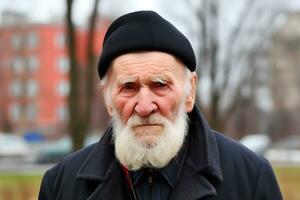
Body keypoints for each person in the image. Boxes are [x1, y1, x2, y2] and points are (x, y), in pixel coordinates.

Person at [38, 10, 283, 200]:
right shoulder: (62, 184)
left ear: (190, 92)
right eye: (128, 87)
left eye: (160, 85)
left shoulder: (250, 178)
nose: (144, 107)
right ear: (108, 99)